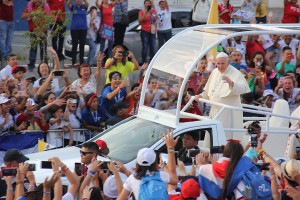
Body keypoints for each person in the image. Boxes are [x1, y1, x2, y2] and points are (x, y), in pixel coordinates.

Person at [196, 52, 250, 139]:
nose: (220, 66)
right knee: (213, 139)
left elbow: (244, 88)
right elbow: (209, 90)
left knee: (225, 137)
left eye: (222, 63)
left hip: (228, 114)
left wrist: (232, 83)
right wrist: (201, 96)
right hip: (214, 112)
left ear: (228, 62)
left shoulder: (236, 73)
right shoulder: (214, 72)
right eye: (218, 63)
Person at [118, 131, 178, 199]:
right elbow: (175, 180)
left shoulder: (132, 178)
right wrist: (164, 165)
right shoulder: (162, 175)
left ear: (137, 163)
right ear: (155, 163)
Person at [21, 0, 50, 71]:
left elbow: (50, 17)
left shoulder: (45, 6)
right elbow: (23, 16)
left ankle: (44, 65)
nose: (37, 1)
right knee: (33, 48)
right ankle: (31, 65)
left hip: (43, 31)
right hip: (33, 31)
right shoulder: (30, 6)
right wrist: (32, 13)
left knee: (43, 49)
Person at [67, 0, 89, 66]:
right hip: (74, 29)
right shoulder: (73, 7)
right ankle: (74, 62)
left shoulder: (84, 7)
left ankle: (81, 62)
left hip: (83, 29)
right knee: (74, 45)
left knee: (82, 45)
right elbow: (68, 3)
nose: (78, 1)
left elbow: (87, 3)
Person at [0, 0, 14, 64]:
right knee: (3, 37)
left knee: (10, 38)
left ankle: (8, 54)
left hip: (11, 20)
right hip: (3, 20)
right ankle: (4, 54)